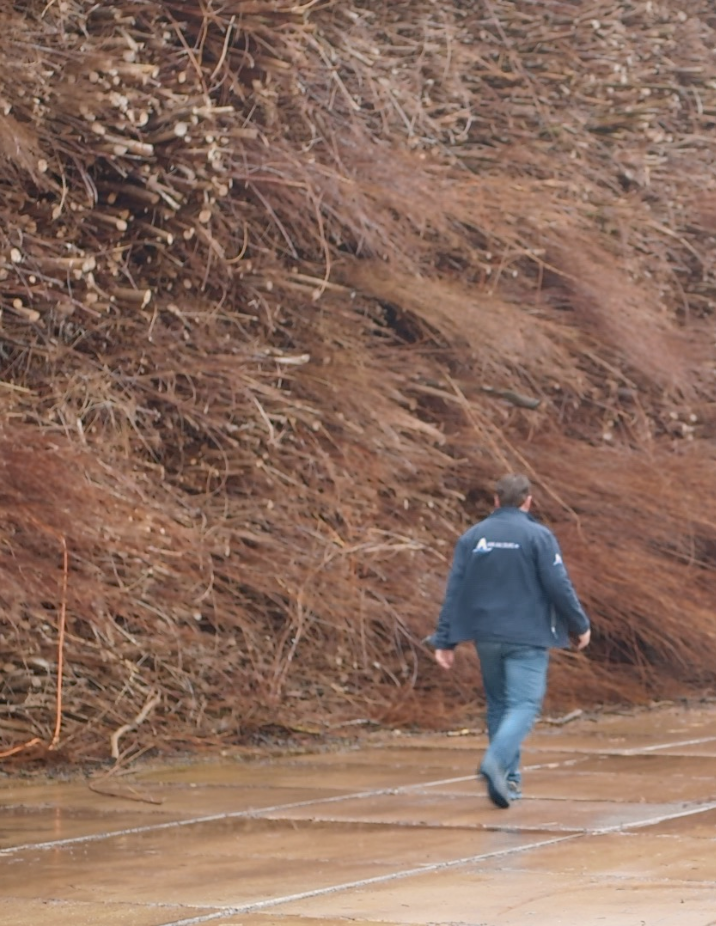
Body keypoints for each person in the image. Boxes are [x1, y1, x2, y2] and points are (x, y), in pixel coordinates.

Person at [428, 473, 590, 809]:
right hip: (527, 638)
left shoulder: (473, 537)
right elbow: (558, 585)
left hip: (487, 637)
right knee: (524, 705)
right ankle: (496, 762)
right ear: (528, 501)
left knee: (500, 706)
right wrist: (579, 624)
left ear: (496, 500)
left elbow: (455, 591)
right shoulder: (538, 536)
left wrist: (445, 641)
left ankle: (510, 781)